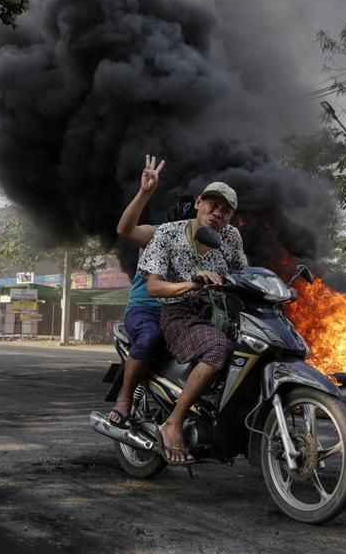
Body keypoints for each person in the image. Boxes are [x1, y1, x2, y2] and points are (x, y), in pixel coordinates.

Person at [138, 181, 247, 464]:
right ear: (199, 202)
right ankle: (173, 422)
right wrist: (192, 284)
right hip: (179, 312)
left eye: (225, 210)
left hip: (220, 312)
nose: (217, 213)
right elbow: (154, 288)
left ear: (231, 217)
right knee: (218, 348)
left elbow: (244, 273)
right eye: (213, 205)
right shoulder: (167, 234)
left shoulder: (231, 237)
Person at [108, 154, 181, 428]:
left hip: (183, 313)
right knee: (150, 336)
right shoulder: (159, 234)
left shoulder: (210, 244)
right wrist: (144, 192)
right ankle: (124, 399)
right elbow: (125, 230)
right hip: (146, 310)